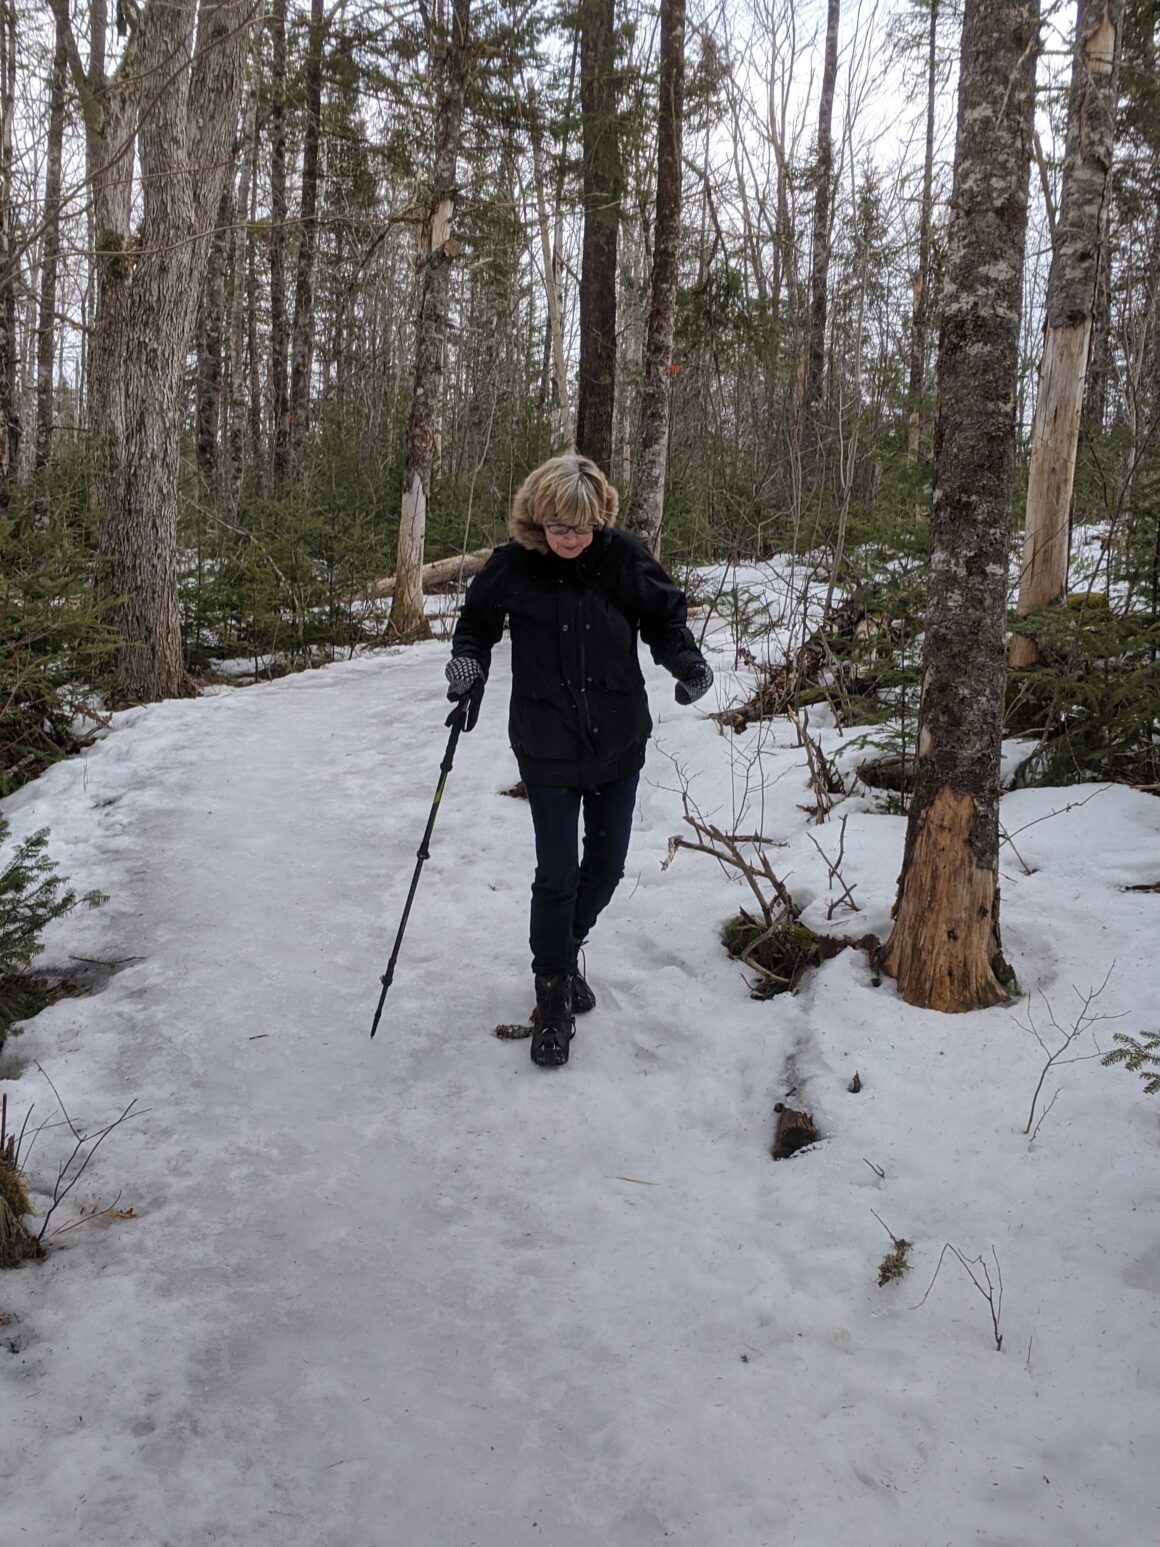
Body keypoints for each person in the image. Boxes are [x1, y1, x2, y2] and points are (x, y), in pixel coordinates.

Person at [445, 453, 714, 1068]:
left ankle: (564, 950)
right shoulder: (512, 566)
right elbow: (476, 626)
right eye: (558, 528)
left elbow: (665, 618)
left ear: (600, 520)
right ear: (537, 522)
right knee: (557, 875)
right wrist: (467, 667)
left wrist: (688, 664)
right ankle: (553, 999)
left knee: (609, 866)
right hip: (545, 740)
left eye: (582, 528)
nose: (570, 539)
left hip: (617, 737)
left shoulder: (623, 557)